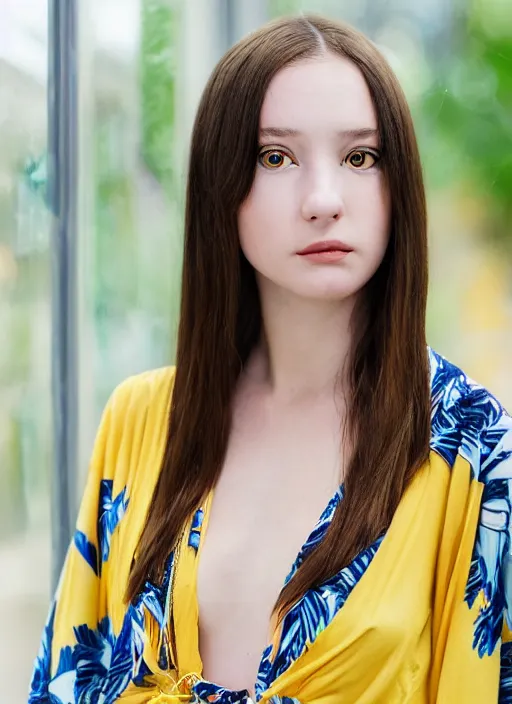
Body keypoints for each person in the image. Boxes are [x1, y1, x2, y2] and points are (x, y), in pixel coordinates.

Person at [29, 13, 512, 704]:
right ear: (220, 190)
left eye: (360, 158)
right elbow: (65, 681)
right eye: (275, 157)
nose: (323, 201)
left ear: (396, 186)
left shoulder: (470, 447)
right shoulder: (142, 421)